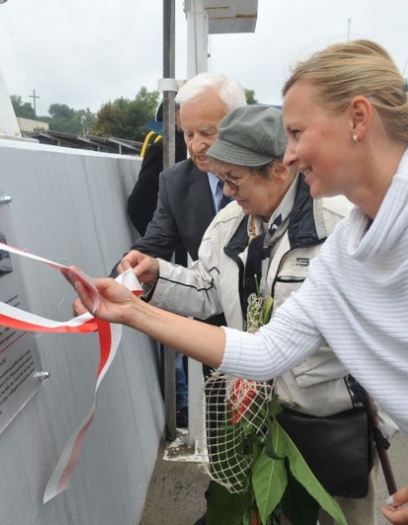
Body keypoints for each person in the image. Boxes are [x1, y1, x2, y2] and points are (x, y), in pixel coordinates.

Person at [68, 39, 408, 525]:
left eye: (296, 133)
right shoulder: (351, 247)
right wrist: (132, 311)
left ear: (357, 118)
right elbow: (265, 353)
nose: (285, 157)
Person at [123, 104, 377, 523]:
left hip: (329, 421)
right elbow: (207, 289)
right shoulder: (228, 224)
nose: (225, 192)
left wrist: (379, 420)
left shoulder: (338, 226)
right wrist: (158, 279)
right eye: (221, 179)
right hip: (252, 419)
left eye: (233, 179)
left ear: (279, 169)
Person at [116, 72, 247, 426]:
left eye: (208, 132)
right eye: (188, 134)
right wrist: (129, 268)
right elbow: (155, 240)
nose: (196, 145)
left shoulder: (273, 173)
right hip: (214, 333)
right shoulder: (174, 182)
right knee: (223, 429)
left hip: (272, 328)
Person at [126, 102, 188, 238]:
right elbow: (139, 205)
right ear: (176, 115)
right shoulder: (161, 152)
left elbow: (137, 206)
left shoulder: (161, 150)